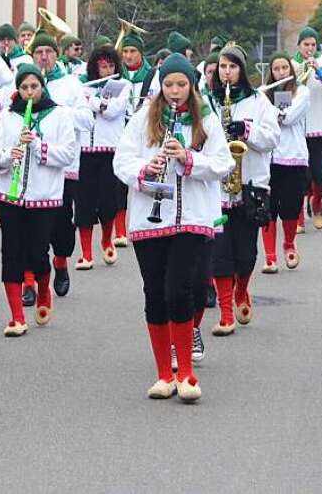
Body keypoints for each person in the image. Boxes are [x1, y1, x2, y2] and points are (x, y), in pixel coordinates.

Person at [113, 54, 233, 402]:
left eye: (181, 84)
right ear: (160, 87)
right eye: (169, 85)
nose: (175, 91)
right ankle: (164, 374)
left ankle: (187, 375)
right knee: (154, 293)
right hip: (150, 218)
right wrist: (145, 168)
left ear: (191, 87)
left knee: (178, 290)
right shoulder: (142, 120)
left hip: (192, 218)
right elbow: (121, 161)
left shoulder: (206, 120)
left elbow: (223, 163)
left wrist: (188, 158)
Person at [0, 64, 76, 336]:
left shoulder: (60, 115)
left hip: (45, 196)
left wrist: (38, 145)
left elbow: (67, 155)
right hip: (9, 195)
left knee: (38, 252)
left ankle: (43, 292)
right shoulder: (6, 117)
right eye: (24, 87)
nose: (29, 93)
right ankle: (17, 317)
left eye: (34, 87)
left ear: (42, 86)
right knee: (11, 254)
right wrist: (9, 155)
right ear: (17, 90)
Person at [208, 45, 280, 335]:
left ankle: (242, 290)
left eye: (233, 67)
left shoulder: (259, 100)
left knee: (247, 253)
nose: (227, 72)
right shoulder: (208, 102)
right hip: (217, 188)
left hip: (250, 184)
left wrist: (246, 131)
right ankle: (226, 313)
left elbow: (272, 138)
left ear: (242, 70)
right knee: (220, 252)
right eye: (223, 67)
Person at [27, 31, 92, 297]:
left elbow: (87, 121)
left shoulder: (71, 85)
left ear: (57, 55)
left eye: (49, 52)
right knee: (30, 227)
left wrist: (57, 109)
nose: (44, 57)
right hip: (29, 168)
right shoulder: (22, 83)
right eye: (39, 52)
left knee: (61, 223)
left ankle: (61, 262)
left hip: (63, 167)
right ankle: (29, 279)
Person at [75, 43, 127, 270]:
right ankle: (86, 253)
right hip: (85, 152)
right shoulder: (82, 86)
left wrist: (92, 101)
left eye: (110, 66)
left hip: (110, 152)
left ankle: (107, 239)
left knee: (109, 203)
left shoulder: (122, 85)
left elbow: (113, 110)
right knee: (84, 204)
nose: (106, 70)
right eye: (102, 66)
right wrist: (88, 98)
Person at [260, 53, 309, 273]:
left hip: (295, 158)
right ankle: (270, 257)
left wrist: (267, 108)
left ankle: (289, 244)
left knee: (290, 208)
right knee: (268, 209)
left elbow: (288, 118)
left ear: (290, 69)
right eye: (276, 69)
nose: (281, 72)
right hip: (269, 158)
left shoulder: (303, 92)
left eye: (284, 68)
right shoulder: (263, 95)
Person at [292, 28, 322, 230]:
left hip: (320, 125)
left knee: (320, 175)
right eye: (306, 45)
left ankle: (317, 202)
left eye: (313, 45)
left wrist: (320, 71)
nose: (310, 49)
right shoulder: (292, 64)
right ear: (299, 46)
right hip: (297, 127)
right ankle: (299, 214)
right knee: (300, 175)